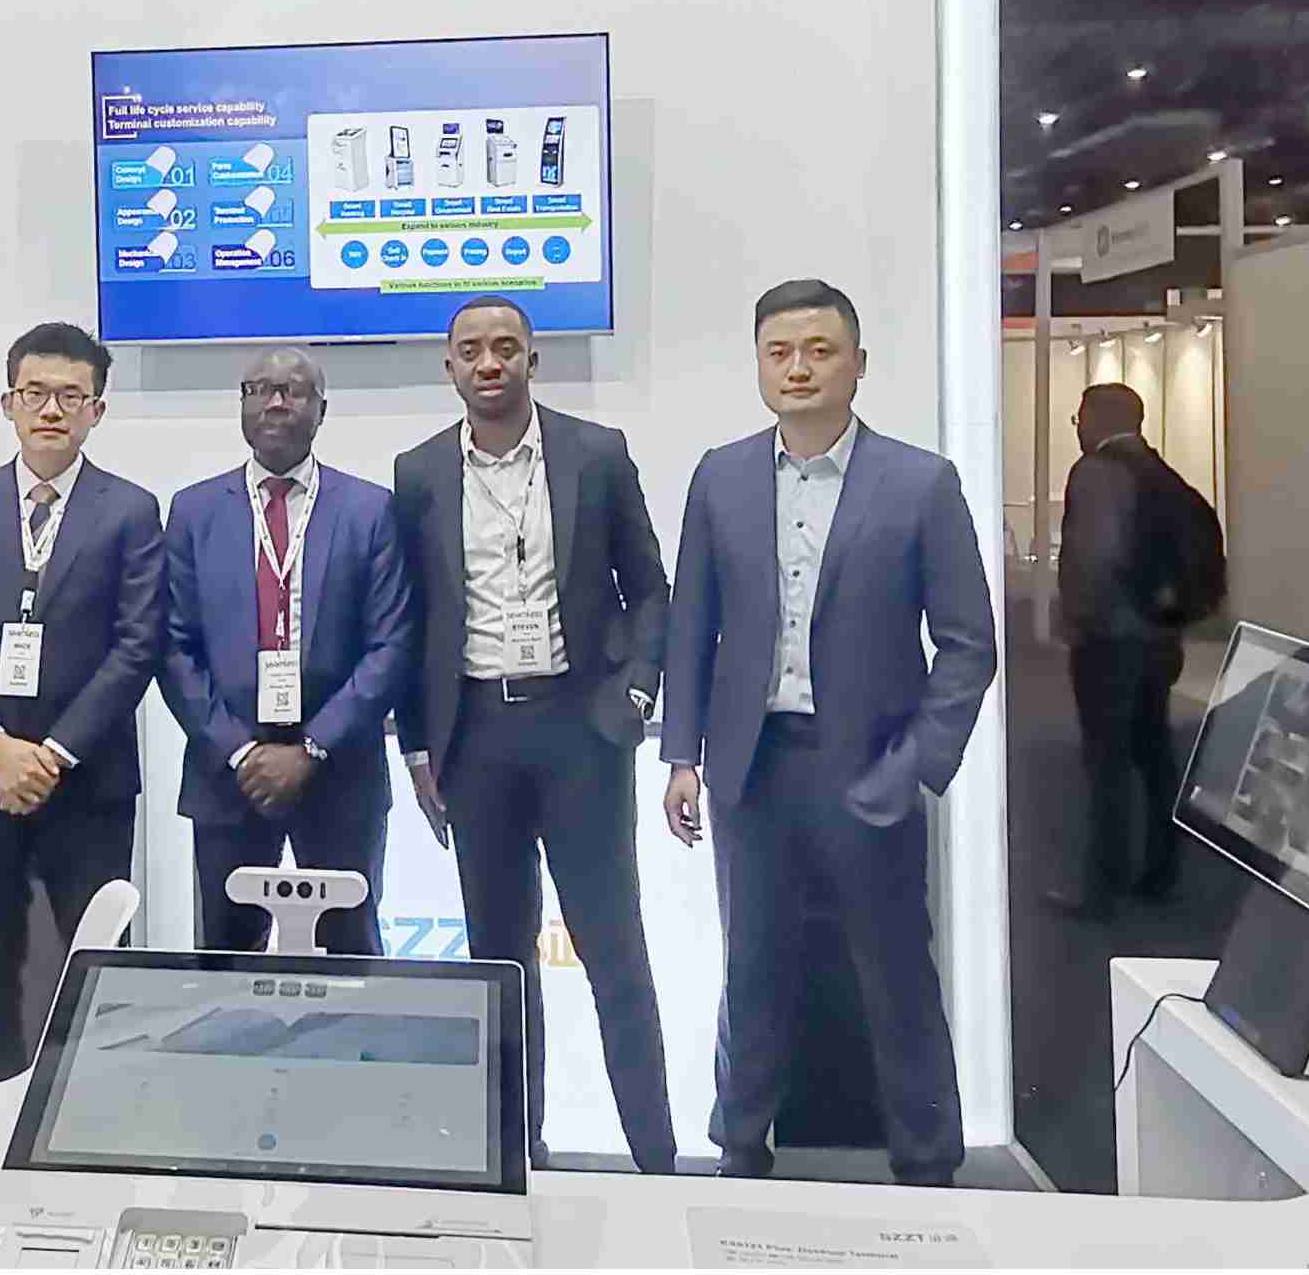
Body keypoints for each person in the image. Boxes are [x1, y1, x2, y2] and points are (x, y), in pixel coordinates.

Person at [662, 277, 995, 1186]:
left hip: (869, 767)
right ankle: (740, 1146)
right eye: (779, 352)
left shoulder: (920, 482)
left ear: (858, 363)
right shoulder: (721, 476)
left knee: (896, 974)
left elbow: (969, 643)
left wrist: (918, 764)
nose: (799, 368)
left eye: (820, 350)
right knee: (751, 967)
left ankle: (928, 1161)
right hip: (752, 768)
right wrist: (682, 754)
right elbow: (692, 624)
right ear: (759, 365)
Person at [379, 292, 685, 1174]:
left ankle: (657, 1158)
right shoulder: (419, 471)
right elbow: (412, 619)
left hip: (580, 730)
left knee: (614, 951)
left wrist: (635, 695)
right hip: (476, 737)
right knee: (500, 961)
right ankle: (519, 1154)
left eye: (505, 347)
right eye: (472, 349)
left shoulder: (597, 453)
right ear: (449, 366)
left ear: (531, 360)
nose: (490, 363)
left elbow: (649, 588)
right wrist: (417, 745)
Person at [0, 322, 165, 1057]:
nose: (51, 409)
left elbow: (137, 646)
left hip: (87, 781)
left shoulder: (130, 509)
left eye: (71, 396)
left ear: (97, 410)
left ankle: (94, 1108)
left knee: (98, 965)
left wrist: (50, 755)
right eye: (35, 393)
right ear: (9, 403)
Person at [162, 350, 403, 952]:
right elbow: (173, 644)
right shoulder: (193, 511)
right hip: (228, 776)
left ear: (321, 410)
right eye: (260, 389)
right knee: (226, 958)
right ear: (242, 404)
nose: (275, 402)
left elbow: (390, 645)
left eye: (293, 391)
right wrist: (240, 751)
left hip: (341, 774)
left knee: (352, 956)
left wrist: (312, 748)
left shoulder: (370, 510)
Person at [1056, 382, 1225, 909]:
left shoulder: (1096, 472)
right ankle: (1160, 871)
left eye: (1079, 418)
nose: (1078, 428)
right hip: (1159, 637)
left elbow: (1096, 557)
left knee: (1106, 762)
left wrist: (1079, 620)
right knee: (1153, 755)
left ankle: (1101, 887)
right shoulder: (1161, 474)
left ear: (1097, 419)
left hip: (1111, 641)